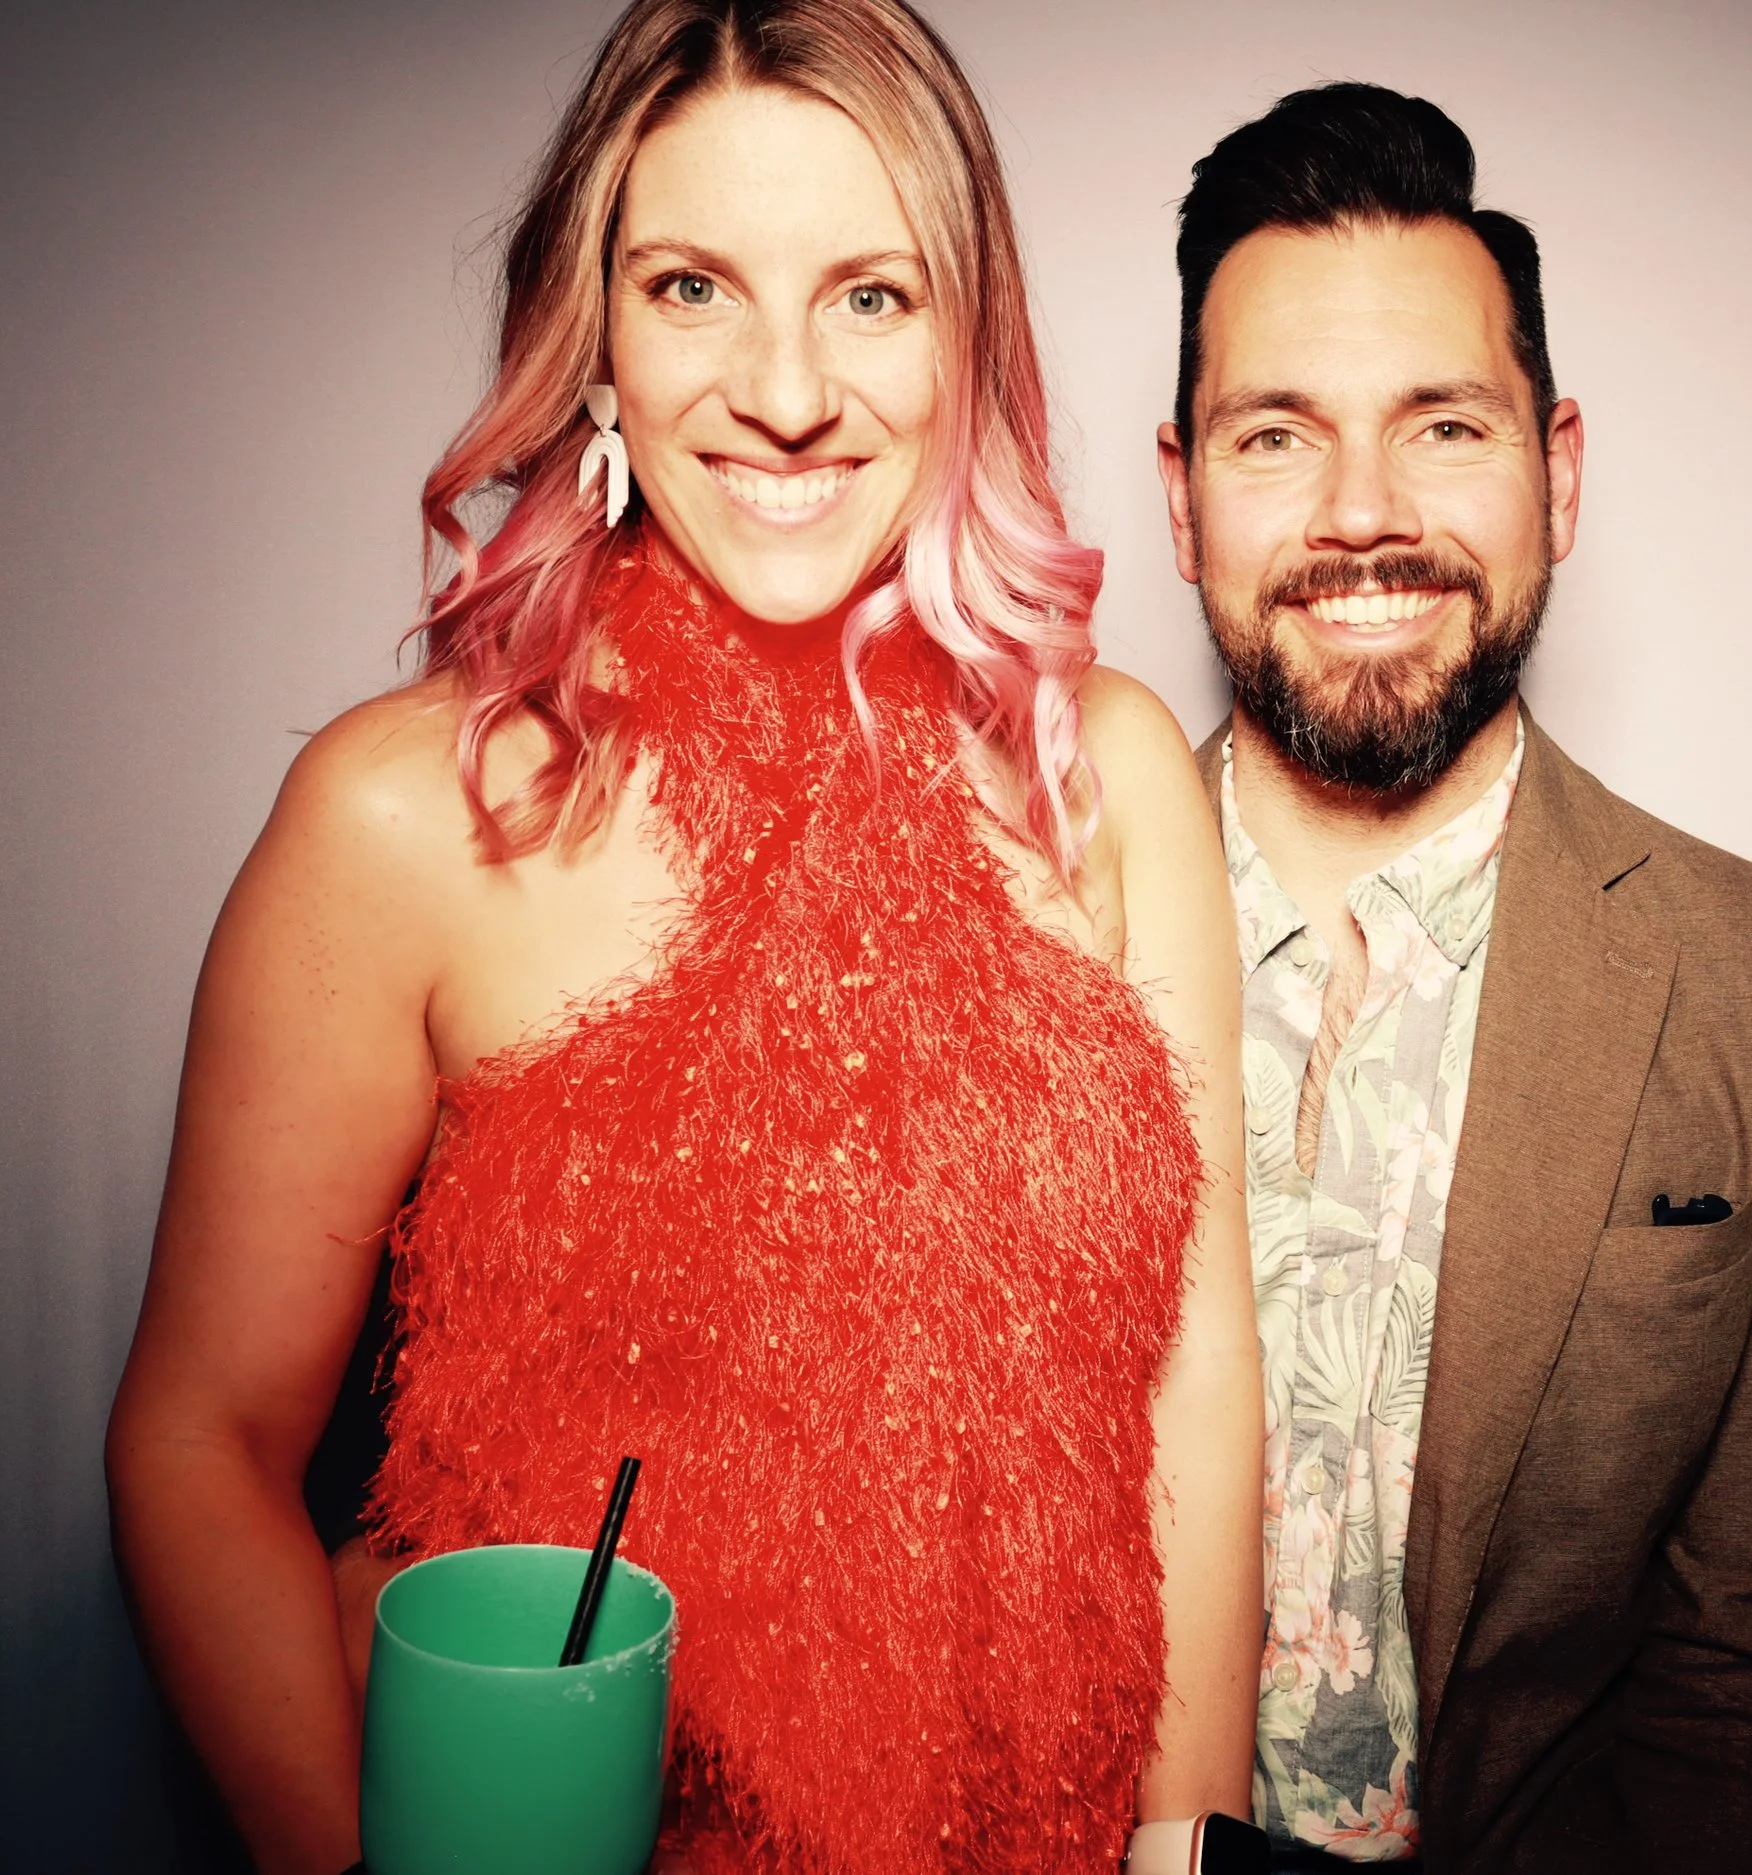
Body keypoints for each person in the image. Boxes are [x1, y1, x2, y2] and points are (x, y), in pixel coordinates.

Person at [104, 3, 1261, 1870]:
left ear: (967, 339)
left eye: (872, 296)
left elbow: (1196, 1384)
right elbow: (201, 1441)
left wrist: (1184, 1858)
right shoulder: (407, 814)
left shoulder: (1106, 771)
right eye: (695, 286)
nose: (787, 389)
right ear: (598, 344)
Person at [1153, 84, 1752, 1872]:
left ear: (1558, 473)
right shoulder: (999, 936)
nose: (1362, 514)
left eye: (1443, 425)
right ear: (1179, 501)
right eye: (1275, 436)